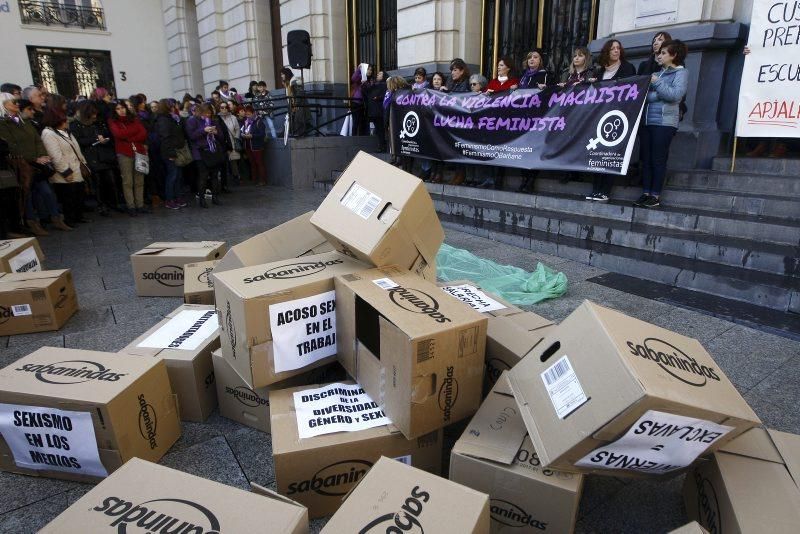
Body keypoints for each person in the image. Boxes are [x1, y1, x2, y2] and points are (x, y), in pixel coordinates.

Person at [0, 93, 70, 235]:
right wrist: (33, 158)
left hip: (36, 164)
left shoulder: (24, 122)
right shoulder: (3, 124)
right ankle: (33, 223)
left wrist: (42, 155)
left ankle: (56, 218)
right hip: (21, 166)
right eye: (13, 102)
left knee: (46, 192)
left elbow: (37, 140)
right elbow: (11, 146)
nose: (17, 104)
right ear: (3, 104)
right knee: (28, 195)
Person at [634, 40, 689, 208]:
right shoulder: (660, 73)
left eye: (664, 53)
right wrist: (658, 92)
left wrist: (656, 84)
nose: (660, 55)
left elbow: (675, 96)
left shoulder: (681, 73)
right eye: (660, 52)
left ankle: (655, 195)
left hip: (665, 123)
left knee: (658, 159)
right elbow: (647, 97)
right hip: (648, 121)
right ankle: (646, 192)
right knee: (647, 159)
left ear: (674, 55)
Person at [41, 107, 89, 226]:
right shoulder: (48, 134)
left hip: (76, 168)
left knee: (78, 195)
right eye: (63, 120)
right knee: (68, 198)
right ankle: (70, 219)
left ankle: (78, 216)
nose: (66, 122)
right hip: (65, 172)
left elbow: (76, 148)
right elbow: (55, 156)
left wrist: (84, 163)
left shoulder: (66, 131)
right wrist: (66, 172)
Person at [70, 100, 118, 217]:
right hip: (91, 157)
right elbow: (78, 141)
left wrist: (104, 138)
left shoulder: (98, 123)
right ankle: (101, 205)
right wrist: (95, 139)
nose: (94, 116)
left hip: (103, 155)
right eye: (92, 114)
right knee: (98, 182)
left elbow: (107, 134)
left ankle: (112, 202)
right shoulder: (76, 125)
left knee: (110, 181)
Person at [108, 100, 149, 216]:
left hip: (139, 152)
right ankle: (131, 206)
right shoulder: (113, 121)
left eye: (123, 108)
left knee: (139, 181)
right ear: (114, 111)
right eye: (118, 108)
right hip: (124, 153)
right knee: (128, 181)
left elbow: (143, 133)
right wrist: (133, 132)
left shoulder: (134, 119)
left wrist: (130, 138)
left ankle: (140, 205)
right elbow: (118, 134)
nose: (121, 110)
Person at [186, 103, 227, 206]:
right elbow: (191, 136)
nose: (208, 115)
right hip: (200, 152)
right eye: (205, 113)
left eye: (209, 113)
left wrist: (216, 132)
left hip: (213, 151)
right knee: (203, 176)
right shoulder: (193, 121)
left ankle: (215, 197)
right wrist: (203, 130)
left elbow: (222, 137)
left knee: (214, 175)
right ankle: (202, 199)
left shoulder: (214, 121)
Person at [154, 99, 188, 210]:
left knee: (178, 175)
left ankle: (178, 196)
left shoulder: (172, 118)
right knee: (172, 176)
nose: (174, 107)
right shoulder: (163, 120)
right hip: (169, 151)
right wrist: (170, 153)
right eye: (171, 106)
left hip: (176, 149)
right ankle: (169, 199)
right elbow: (165, 138)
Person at [240, 104, 268, 186]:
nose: (247, 116)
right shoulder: (246, 122)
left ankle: (262, 180)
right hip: (248, 145)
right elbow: (242, 131)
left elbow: (262, 134)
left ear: (253, 113)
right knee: (252, 163)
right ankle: (254, 179)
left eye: (249, 114)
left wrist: (252, 136)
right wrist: (243, 135)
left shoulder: (259, 121)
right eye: (246, 114)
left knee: (259, 163)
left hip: (257, 146)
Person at [218, 100, 241, 187]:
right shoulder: (217, 118)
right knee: (223, 162)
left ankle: (236, 177)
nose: (224, 109)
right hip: (222, 143)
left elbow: (237, 129)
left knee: (233, 161)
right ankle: (224, 181)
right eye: (222, 107)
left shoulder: (233, 117)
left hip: (232, 141)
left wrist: (236, 138)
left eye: (225, 107)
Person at [281, 67, 307, 137]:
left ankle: (299, 134)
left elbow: (299, 92)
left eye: (283, 74)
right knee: (291, 120)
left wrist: (296, 104)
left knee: (298, 120)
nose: (281, 76)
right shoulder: (288, 83)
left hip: (298, 105)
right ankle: (292, 133)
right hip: (293, 105)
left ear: (287, 74)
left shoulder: (294, 81)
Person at [366, 70, 388, 152]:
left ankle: (382, 146)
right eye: (378, 73)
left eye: (380, 74)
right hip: (374, 111)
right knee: (378, 130)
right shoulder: (375, 84)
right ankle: (381, 146)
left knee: (380, 129)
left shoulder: (384, 85)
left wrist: (378, 98)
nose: (378, 75)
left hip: (379, 112)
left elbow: (385, 96)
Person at [349, 63, 373, 136]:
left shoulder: (371, 80)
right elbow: (353, 78)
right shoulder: (360, 78)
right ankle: (354, 138)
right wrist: (359, 69)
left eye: (371, 70)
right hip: (356, 102)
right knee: (355, 121)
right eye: (368, 69)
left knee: (363, 122)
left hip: (365, 104)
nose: (369, 71)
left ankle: (362, 137)